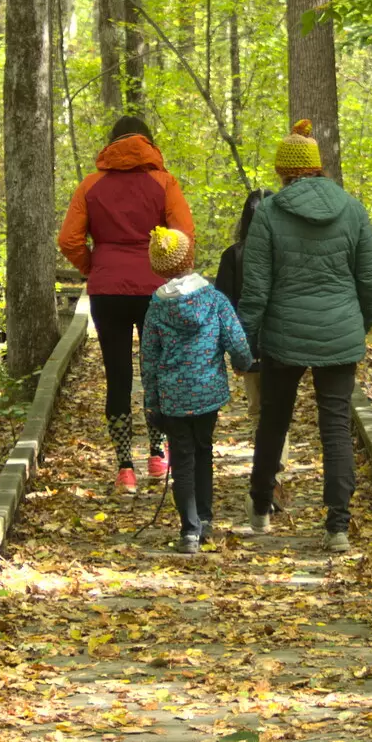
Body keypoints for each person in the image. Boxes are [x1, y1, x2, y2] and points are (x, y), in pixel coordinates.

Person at [239, 120, 372, 554]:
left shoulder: (269, 214)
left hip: (284, 334)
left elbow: (256, 286)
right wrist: (360, 323)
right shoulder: (353, 208)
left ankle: (261, 509)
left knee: (274, 420)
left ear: (282, 172)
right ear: (318, 168)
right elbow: (369, 278)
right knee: (335, 425)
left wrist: (245, 340)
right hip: (340, 331)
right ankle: (337, 525)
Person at [59, 116, 195, 493]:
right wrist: (173, 274)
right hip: (155, 290)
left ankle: (124, 468)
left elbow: (69, 240)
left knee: (117, 376)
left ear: (111, 143)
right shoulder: (163, 182)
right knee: (156, 371)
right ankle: (156, 454)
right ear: (149, 143)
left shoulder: (90, 185)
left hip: (107, 292)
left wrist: (94, 267)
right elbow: (183, 235)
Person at [140, 228, 254, 553]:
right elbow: (235, 338)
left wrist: (152, 402)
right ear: (190, 258)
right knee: (204, 452)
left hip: (173, 397)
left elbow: (149, 360)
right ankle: (204, 520)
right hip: (208, 393)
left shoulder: (157, 308)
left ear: (157, 268)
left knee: (183, 459)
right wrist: (245, 362)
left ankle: (189, 531)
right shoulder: (214, 299)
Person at [214, 188, 275, 441]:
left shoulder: (233, 255)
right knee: (274, 408)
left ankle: (269, 466)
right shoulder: (287, 253)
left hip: (248, 346)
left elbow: (223, 309)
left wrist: (234, 351)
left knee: (258, 409)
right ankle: (274, 468)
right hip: (281, 344)